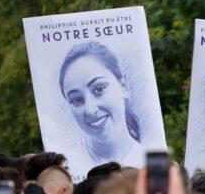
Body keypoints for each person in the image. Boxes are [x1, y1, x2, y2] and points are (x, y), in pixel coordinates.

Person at [59, 41, 144, 171]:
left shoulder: (154, 165)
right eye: (76, 100)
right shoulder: (66, 169)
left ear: (123, 86)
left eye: (99, 89)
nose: (90, 110)